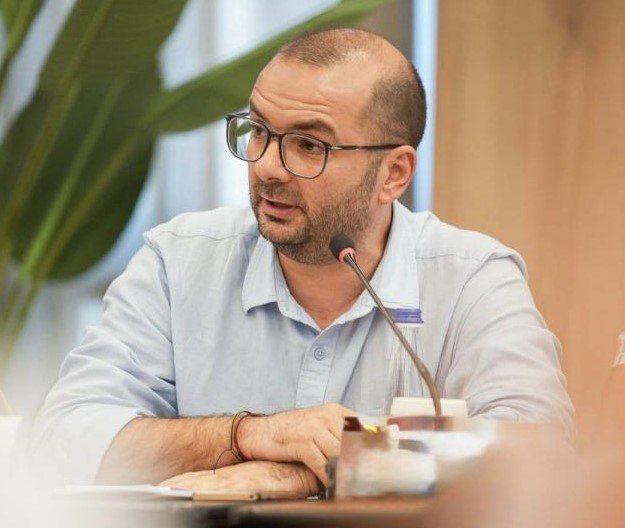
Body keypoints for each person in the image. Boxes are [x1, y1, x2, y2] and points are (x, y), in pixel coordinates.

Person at [31, 28, 574, 493]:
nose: (268, 167)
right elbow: (66, 436)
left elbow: (538, 451)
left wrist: (327, 471)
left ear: (394, 174)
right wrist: (249, 435)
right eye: (259, 132)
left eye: (310, 146)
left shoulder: (470, 278)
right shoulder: (178, 262)